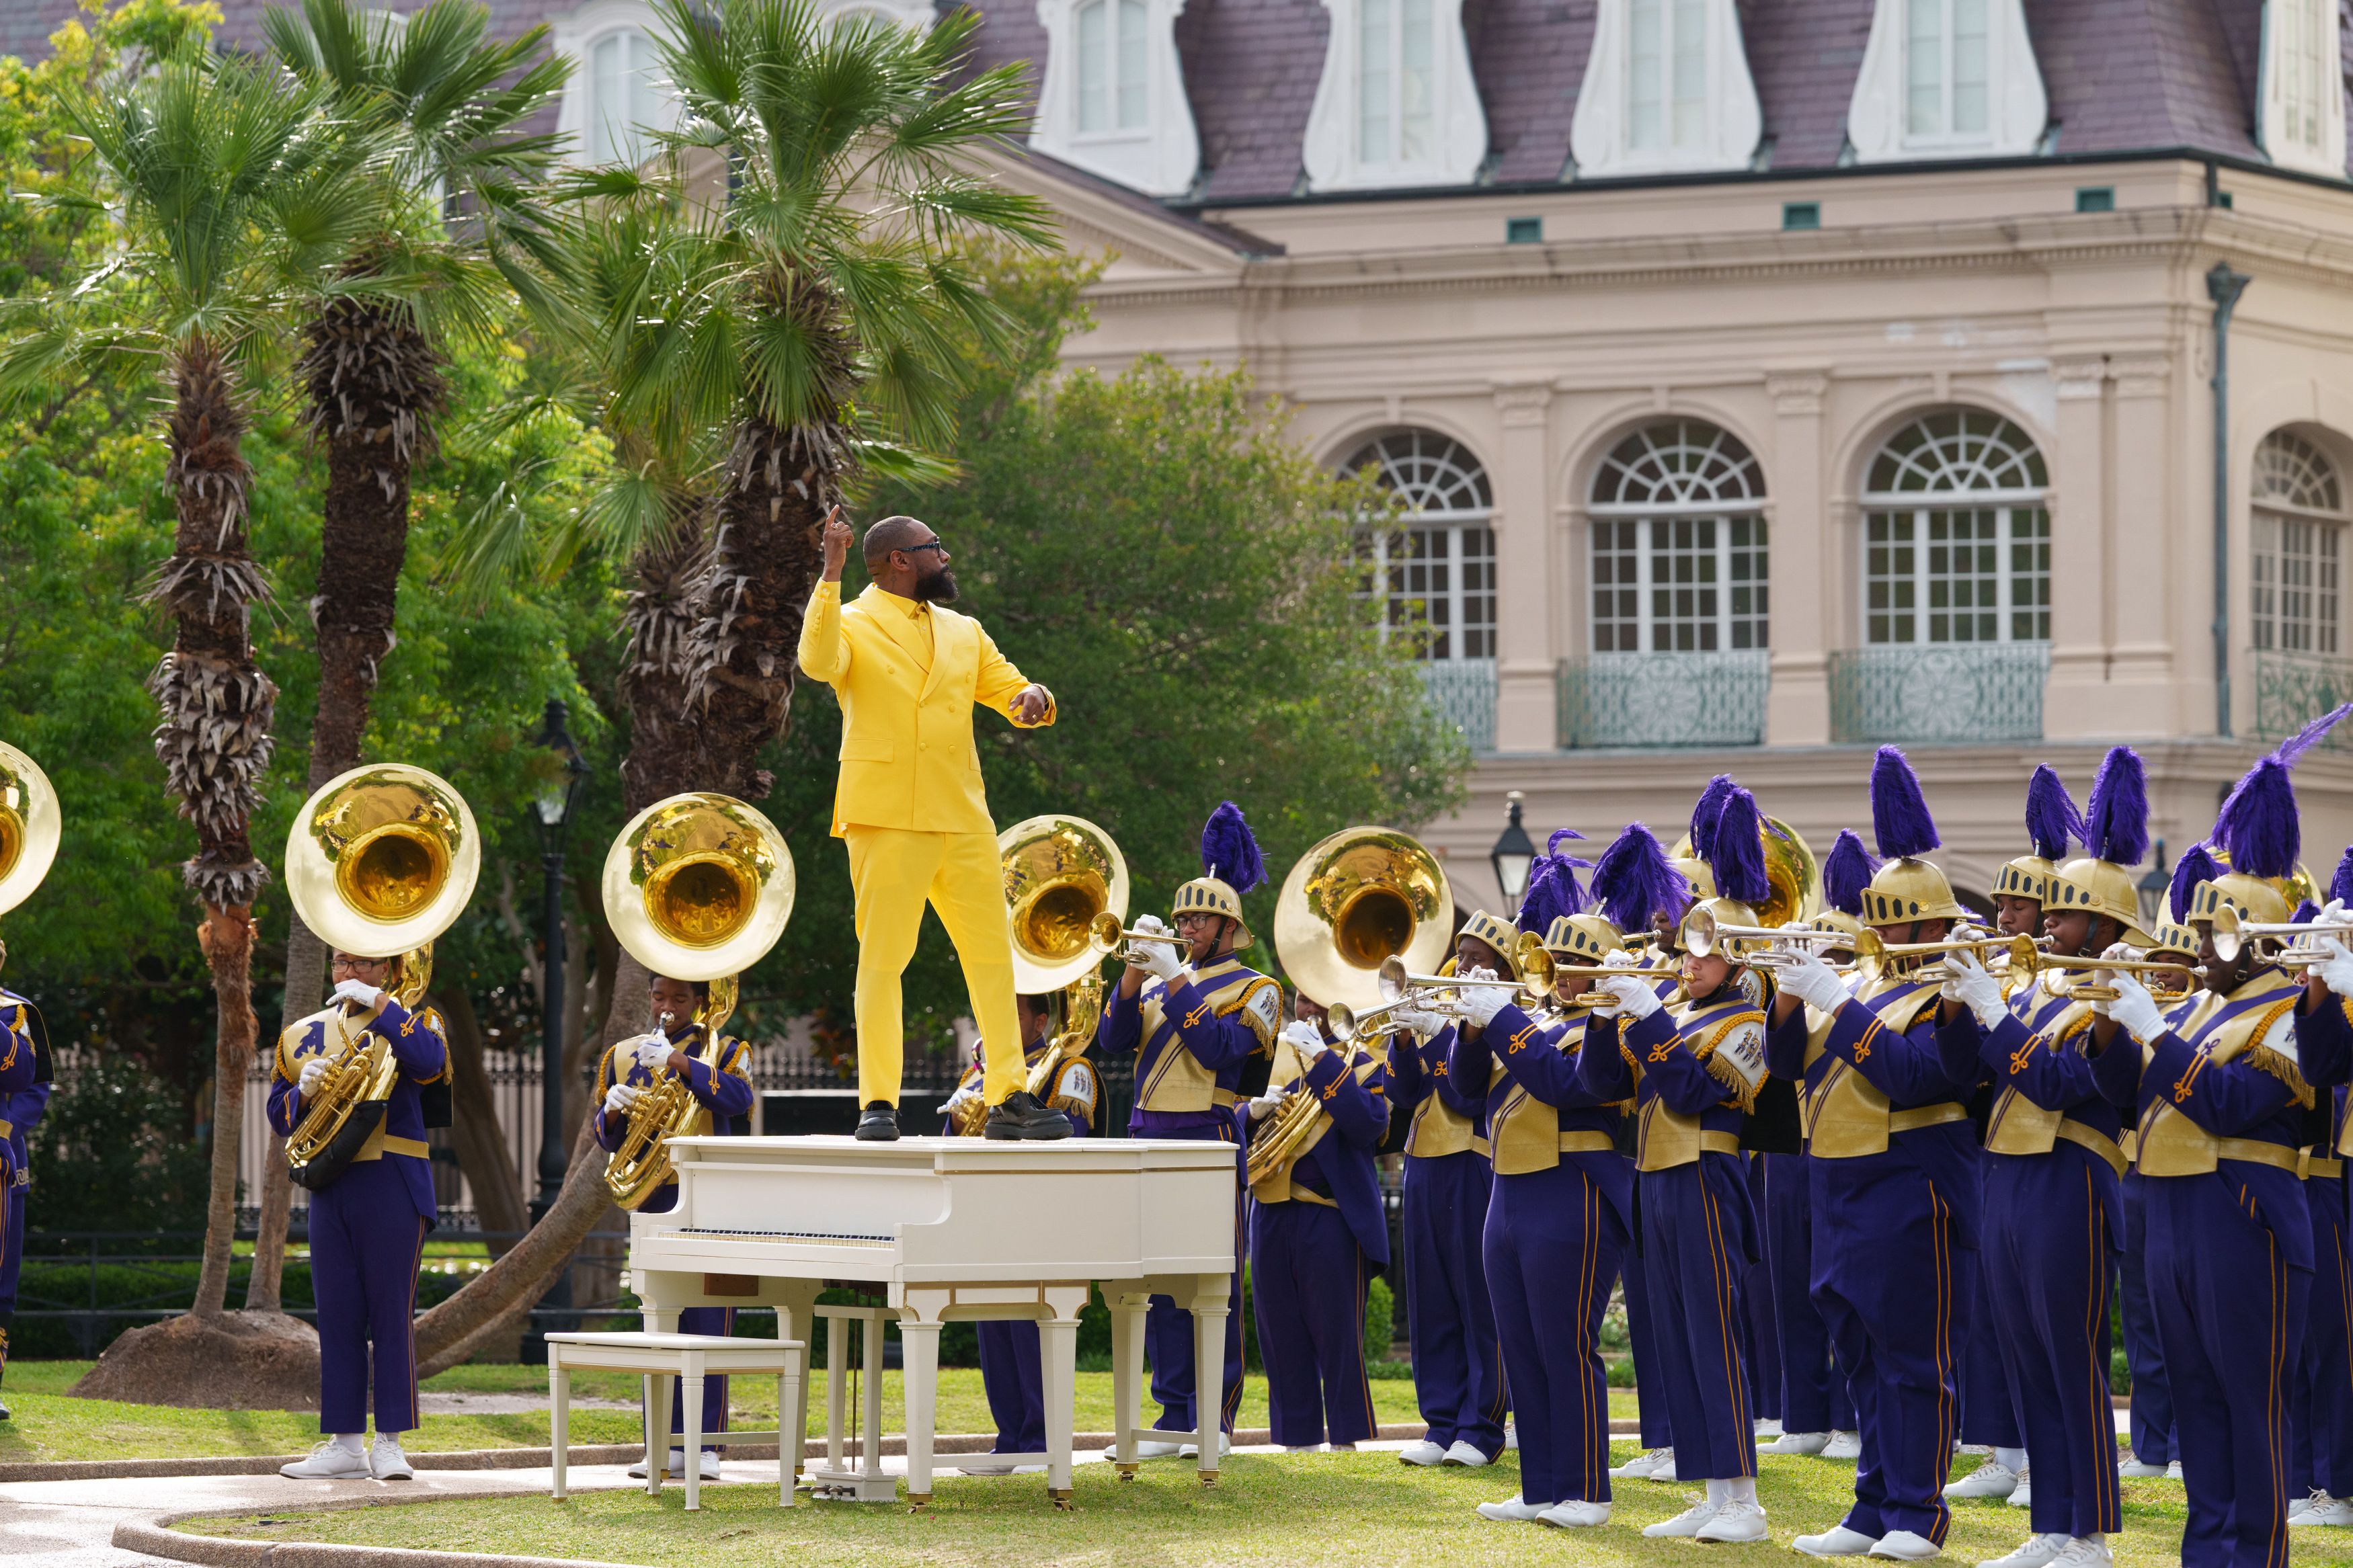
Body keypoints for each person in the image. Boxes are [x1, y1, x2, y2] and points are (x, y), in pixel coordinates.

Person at [2087, 722, 2342, 1568]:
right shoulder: (2194, 1005)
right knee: (2194, 1396)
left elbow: (2235, 1102)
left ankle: (2254, 1551)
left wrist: (2153, 1033)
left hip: (2244, 1217)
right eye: (2197, 933)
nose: (2198, 949)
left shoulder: (2290, 1011)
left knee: (2247, 1397)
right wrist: (2113, 1023)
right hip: (2173, 1210)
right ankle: (2209, 1549)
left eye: (2214, 935)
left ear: (2261, 938)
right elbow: (2124, 1098)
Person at [1769, 747, 1983, 1561]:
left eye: (1896, 916)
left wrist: (1834, 1001)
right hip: (1838, 1185)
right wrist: (1790, 995)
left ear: (1932, 923)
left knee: (1910, 1359)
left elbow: (1916, 1076)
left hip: (1908, 1187)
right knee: (1857, 1353)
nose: (1881, 928)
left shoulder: (1949, 988)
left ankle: (1917, 1512)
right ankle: (1871, 1505)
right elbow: (1789, 1068)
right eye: (1878, 914)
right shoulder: (1861, 983)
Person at [796, 507, 1068, 1143]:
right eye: (934, 548)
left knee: (993, 959)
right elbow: (815, 660)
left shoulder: (964, 630)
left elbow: (1013, 688)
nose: (944, 558)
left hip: (962, 816)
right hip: (884, 815)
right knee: (884, 960)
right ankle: (878, 1103)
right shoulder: (852, 621)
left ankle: (1009, 1096)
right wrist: (830, 572)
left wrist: (1034, 698)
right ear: (900, 560)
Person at [1938, 749, 2143, 1568]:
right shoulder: (2031, 988)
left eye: (2062, 918)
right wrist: (1959, 1002)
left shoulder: (2117, 990)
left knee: (2067, 1355)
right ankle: (2051, 1525)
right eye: (2047, 917)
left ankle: (2087, 1529)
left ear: (2102, 923)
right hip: (2007, 1173)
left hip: (2068, 1177)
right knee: (2025, 1351)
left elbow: (2065, 1083)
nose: (2044, 927)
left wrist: (1997, 1013)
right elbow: (1962, 1077)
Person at [1583, 784, 1774, 1545]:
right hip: (1656, 1178)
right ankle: (1708, 1486)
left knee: (1711, 1330)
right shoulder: (1677, 1010)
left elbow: (1697, 1094)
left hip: (1704, 1177)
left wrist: (1650, 1017)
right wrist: (1606, 1021)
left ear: (1734, 959)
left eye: (1702, 948)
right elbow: (1604, 1087)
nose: (1684, 959)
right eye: (1685, 945)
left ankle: (1745, 1498)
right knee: (1673, 1334)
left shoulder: (1745, 1019)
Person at [1445, 868, 1631, 1530]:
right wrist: (1470, 1029)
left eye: (1578, 965)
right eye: (1557, 961)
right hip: (1509, 1188)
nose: (1561, 974)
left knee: (1564, 1342)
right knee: (1518, 1341)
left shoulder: (1608, 1027)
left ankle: (1585, 1487)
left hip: (1570, 1188)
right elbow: (1464, 1094)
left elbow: (1561, 1085)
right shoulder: (1534, 1020)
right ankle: (1539, 1485)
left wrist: (1499, 1019)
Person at [1094, 802, 1282, 1456]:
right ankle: (1172, 1412)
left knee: (1208, 1281)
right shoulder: (1156, 982)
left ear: (1228, 924)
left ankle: (1214, 1414)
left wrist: (1173, 977)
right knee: (1157, 1279)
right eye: (1180, 920)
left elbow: (1221, 1050)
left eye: (1199, 918)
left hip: (1205, 1134)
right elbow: (1110, 1039)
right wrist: (1133, 971)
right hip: (1146, 1134)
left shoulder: (1257, 987)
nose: (1187, 927)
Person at [1946, 766, 2081, 1511]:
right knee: (1995, 1315)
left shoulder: (2066, 978)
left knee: (2041, 1321)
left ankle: (2042, 1466)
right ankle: (2002, 1449)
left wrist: (1990, 1004)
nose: (2002, 915)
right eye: (1998, 901)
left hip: (2051, 1154)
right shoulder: (2000, 969)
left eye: (2017, 903)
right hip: (1992, 1147)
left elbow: (2048, 1071)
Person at [272, 950, 449, 1482]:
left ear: (389, 969)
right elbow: (277, 1111)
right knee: (338, 1315)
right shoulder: (305, 1031)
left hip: (392, 1178)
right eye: (340, 962)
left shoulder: (416, 1016)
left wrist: (381, 1004)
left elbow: (427, 1062)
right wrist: (302, 1093)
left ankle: (390, 1442)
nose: (349, 973)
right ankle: (346, 1441)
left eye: (364, 963)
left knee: (391, 1314)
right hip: (332, 1183)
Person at [593, 973, 756, 1483]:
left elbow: (738, 1100)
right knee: (659, 1323)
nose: (668, 1006)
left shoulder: (726, 1048)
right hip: (655, 1199)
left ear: (700, 1002)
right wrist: (614, 1110)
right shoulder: (624, 1054)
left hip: (711, 1200)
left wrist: (682, 1064)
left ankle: (705, 1446)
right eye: (660, 996)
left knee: (709, 1323)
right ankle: (660, 1442)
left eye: (681, 998)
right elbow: (608, 1139)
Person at [945, 992, 1099, 1473]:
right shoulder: (982, 1074)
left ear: (1039, 1022)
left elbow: (1071, 1136)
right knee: (995, 1332)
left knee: (1033, 1331)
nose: (998, 1026)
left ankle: (1041, 1442)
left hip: (1040, 1220)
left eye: (1011, 1016)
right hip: (989, 1217)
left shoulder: (1068, 1068)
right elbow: (954, 1148)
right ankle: (1011, 1438)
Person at [1385, 910, 1516, 1469]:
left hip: (1475, 1161)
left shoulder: (1507, 1017)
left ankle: (1482, 1426)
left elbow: (1467, 1097)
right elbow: (1403, 1091)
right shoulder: (1446, 1012)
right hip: (1424, 1162)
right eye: (1460, 954)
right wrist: (1404, 1034)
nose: (1462, 965)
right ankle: (1441, 1422)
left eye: (1477, 957)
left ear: (1503, 968)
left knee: (1477, 1301)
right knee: (1430, 1300)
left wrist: (1439, 1035)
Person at [1759, 829, 1869, 1462]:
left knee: (1845, 1286)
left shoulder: (1862, 994)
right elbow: (1782, 1061)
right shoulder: (1808, 995)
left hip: (1845, 1145)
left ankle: (1849, 1417)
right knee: (1791, 1282)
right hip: (1791, 1149)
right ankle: (1802, 1413)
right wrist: (1788, 991)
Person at [1240, 999, 1390, 1454]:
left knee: (1337, 1332)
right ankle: (1296, 1439)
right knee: (1279, 1331)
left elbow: (1370, 1125)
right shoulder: (1272, 1057)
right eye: (1302, 995)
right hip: (1269, 1209)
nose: (1308, 1006)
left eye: (1318, 996)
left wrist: (1323, 1061)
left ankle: (1346, 1437)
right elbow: (1230, 1122)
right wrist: (1251, 1114)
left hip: (1328, 1213)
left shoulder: (1365, 1061)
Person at [0, 983, 49, 1421]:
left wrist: (5, 1132)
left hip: (4, 1156)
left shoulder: (13, 1009)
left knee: (2, 1281)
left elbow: (33, 1088)